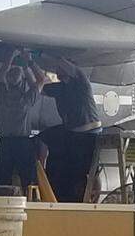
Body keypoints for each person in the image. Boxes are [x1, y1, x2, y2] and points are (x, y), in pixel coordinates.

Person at [40, 57, 102, 202]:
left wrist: (49, 54)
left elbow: (74, 70)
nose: (57, 71)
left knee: (91, 170)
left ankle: (94, 199)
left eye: (60, 69)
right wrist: (28, 63)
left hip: (89, 133)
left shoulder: (81, 83)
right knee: (70, 167)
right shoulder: (59, 88)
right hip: (73, 133)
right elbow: (40, 85)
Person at [0, 49, 45, 191]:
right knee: (29, 180)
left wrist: (11, 54)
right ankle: (31, 204)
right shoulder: (26, 100)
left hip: (5, 142)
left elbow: (1, 75)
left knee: (0, 180)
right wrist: (28, 63)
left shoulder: (2, 96)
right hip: (22, 143)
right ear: (22, 83)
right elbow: (40, 80)